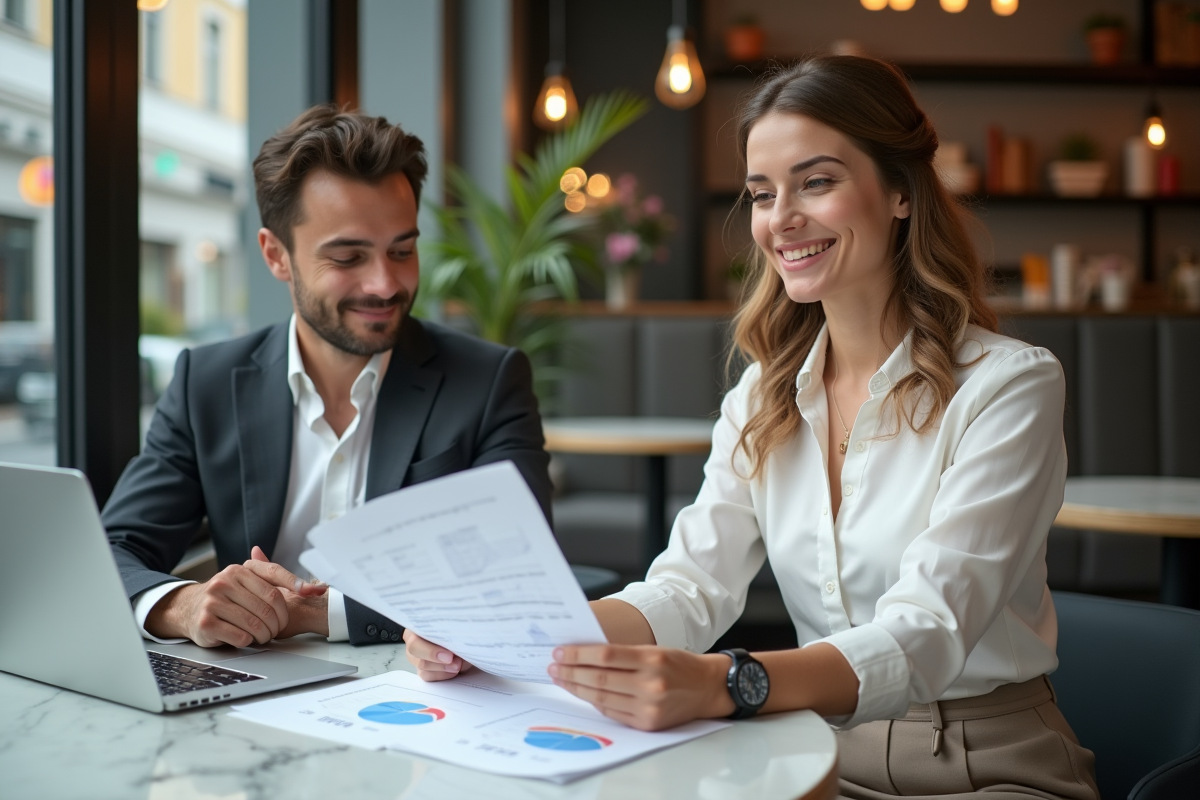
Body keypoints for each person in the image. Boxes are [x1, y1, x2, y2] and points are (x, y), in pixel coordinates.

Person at [404, 56, 1099, 799]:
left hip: (984, 762)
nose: (781, 219)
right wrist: (504, 637)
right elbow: (688, 590)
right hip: (816, 753)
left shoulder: (1009, 385)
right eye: (763, 194)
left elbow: (928, 631)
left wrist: (729, 683)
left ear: (900, 191)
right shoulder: (763, 397)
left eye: (818, 182)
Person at [104, 106, 551, 649]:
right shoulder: (208, 383)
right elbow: (113, 547)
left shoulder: (487, 381)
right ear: (277, 256)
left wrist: (309, 614)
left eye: (402, 251)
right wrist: (183, 604)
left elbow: (521, 578)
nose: (386, 284)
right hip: (249, 691)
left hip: (421, 692)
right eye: (348, 257)